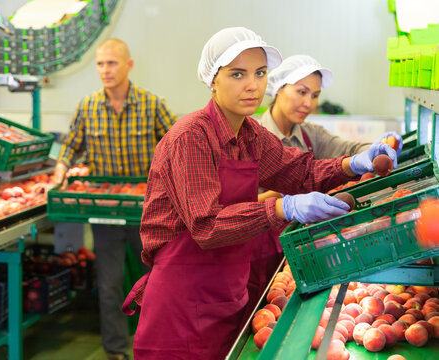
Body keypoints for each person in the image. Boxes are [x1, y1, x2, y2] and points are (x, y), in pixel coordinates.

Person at [122, 27, 398, 359]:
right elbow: (207, 226)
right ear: (213, 80)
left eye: (260, 73)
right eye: (238, 74)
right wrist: (284, 208)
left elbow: (300, 172)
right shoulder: (191, 137)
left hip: (227, 292)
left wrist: (352, 163)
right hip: (182, 301)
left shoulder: (251, 135)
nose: (253, 85)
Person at [53, 38, 178, 360]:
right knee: (109, 287)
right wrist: (59, 171)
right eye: (100, 64)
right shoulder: (88, 106)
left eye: (111, 63)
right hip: (105, 212)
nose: (105, 70)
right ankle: (116, 352)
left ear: (128, 65)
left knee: (154, 282)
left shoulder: (153, 105)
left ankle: (153, 345)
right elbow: (70, 145)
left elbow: (180, 145)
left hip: (147, 213)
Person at [246, 55, 404, 308]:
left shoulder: (312, 135)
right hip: (254, 250)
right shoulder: (251, 135)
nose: (308, 103)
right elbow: (231, 205)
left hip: (298, 250)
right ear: (279, 89)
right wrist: (283, 201)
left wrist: (381, 147)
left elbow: (349, 150)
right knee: (253, 306)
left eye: (315, 95)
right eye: (301, 92)